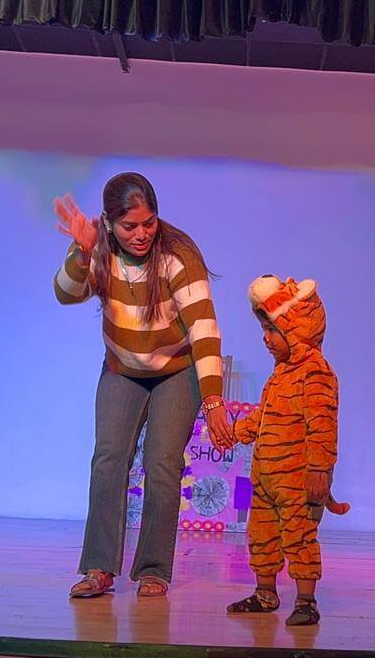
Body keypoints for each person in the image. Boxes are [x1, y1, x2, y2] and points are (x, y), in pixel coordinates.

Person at [53, 172, 234, 599]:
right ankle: (99, 568)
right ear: (110, 222)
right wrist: (82, 252)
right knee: (109, 460)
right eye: (130, 226)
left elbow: (204, 330)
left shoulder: (177, 254)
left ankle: (153, 569)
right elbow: (65, 293)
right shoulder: (98, 247)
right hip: (122, 369)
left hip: (176, 371)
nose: (141, 234)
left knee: (162, 465)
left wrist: (213, 399)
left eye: (148, 223)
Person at [221, 275, 347, 626]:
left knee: (299, 535)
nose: (266, 339)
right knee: (261, 534)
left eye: (273, 331)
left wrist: (319, 471)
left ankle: (306, 600)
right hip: (265, 477)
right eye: (264, 330)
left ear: (297, 331)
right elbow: (264, 416)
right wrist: (235, 433)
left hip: (297, 477)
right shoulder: (279, 375)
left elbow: (322, 425)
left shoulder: (316, 373)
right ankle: (265, 592)